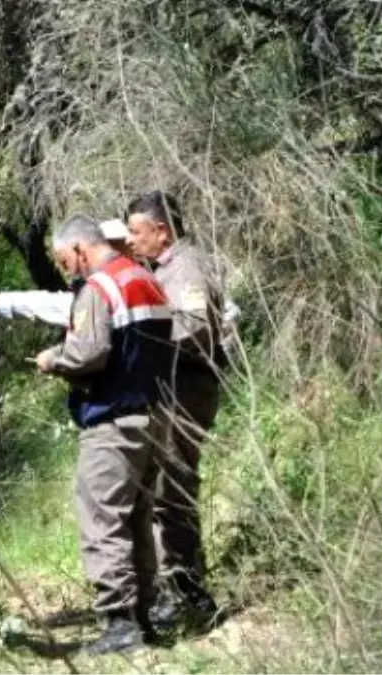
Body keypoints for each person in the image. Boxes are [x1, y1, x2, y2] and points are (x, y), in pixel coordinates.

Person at [31, 213, 173, 654]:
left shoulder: (99, 288)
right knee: (137, 519)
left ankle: (119, 624)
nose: (65, 269)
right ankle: (146, 614)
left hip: (113, 422)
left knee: (102, 519)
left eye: (63, 260)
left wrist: (53, 359)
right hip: (156, 416)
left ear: (79, 249)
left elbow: (89, 352)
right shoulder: (144, 278)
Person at [124, 189, 225, 631]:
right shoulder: (166, 266)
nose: (130, 240)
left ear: (161, 232)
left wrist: (144, 341)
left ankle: (191, 597)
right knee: (165, 491)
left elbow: (197, 327)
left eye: (136, 232)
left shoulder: (185, 267)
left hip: (187, 390)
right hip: (174, 390)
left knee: (173, 490)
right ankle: (183, 592)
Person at [0, 219, 241, 331]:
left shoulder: (168, 274)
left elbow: (223, 315)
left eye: (121, 244)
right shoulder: (101, 292)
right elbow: (47, 304)